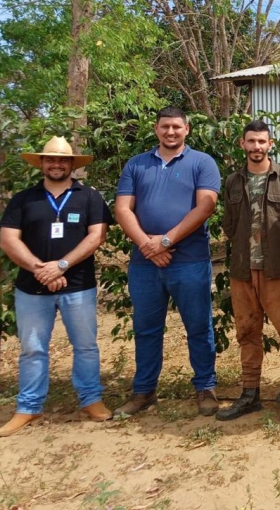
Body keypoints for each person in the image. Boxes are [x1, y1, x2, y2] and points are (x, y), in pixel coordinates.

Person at [0, 136, 113, 437]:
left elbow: (96, 237)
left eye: (62, 160)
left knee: (85, 346)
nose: (57, 164)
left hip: (78, 286)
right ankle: (28, 407)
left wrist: (61, 266)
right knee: (32, 349)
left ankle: (91, 400)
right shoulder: (24, 199)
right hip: (31, 288)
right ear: (42, 164)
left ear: (72, 164)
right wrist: (40, 268)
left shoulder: (89, 197)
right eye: (51, 160)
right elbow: (9, 240)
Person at [114, 107, 221, 418]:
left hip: (189, 260)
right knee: (146, 329)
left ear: (187, 129)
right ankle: (144, 391)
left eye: (176, 127)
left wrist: (164, 241)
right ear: (156, 128)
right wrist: (148, 246)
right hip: (144, 264)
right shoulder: (137, 164)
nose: (170, 132)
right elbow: (123, 209)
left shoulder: (202, 162)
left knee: (199, 326)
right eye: (165, 127)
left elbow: (206, 207)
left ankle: (205, 387)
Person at [218, 120, 280, 422]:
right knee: (247, 332)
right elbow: (229, 224)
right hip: (243, 270)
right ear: (243, 144)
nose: (256, 147)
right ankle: (250, 393)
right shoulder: (232, 181)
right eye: (251, 141)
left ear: (271, 144)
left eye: (261, 142)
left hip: (276, 270)